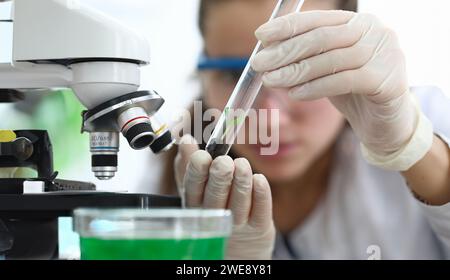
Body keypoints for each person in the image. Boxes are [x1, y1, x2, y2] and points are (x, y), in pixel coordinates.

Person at [162, 0, 450, 259]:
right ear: (201, 74)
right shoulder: (165, 176)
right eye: (234, 75)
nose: (271, 121)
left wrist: (414, 148)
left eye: (306, 66)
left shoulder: (422, 118)